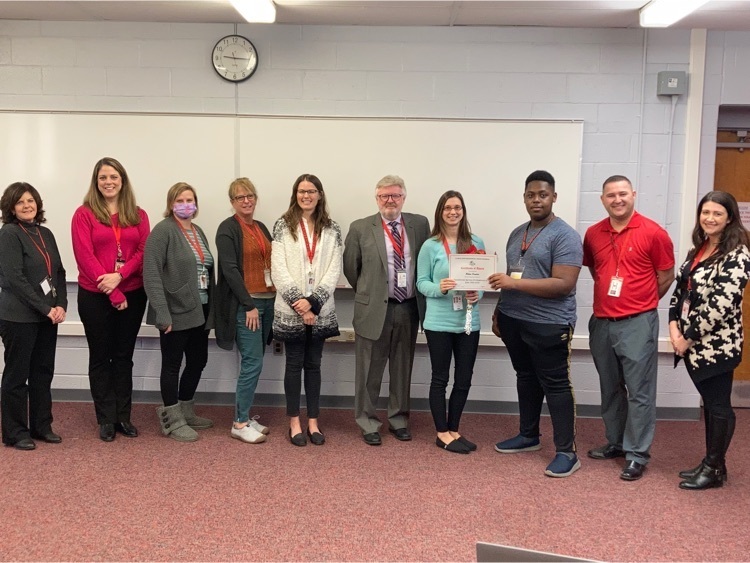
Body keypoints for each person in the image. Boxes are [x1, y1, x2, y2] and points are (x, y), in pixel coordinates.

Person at [488, 170, 583, 478]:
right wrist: (500, 310)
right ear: (524, 198)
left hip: (549, 324)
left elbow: (563, 284)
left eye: (543, 194)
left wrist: (513, 287)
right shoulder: (518, 233)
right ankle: (528, 435)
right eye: (531, 195)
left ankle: (567, 452)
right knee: (526, 377)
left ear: (554, 197)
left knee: (555, 385)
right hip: (515, 320)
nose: (536, 200)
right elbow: (512, 274)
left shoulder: (565, 235)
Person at [583, 174, 675, 481]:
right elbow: (597, 270)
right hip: (602, 323)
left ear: (633, 194)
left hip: (638, 323)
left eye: (623, 193)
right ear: (602, 199)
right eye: (611, 195)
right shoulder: (594, 233)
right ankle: (616, 442)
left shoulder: (654, 232)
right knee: (610, 388)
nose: (617, 199)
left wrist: (643, 302)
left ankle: (637, 454)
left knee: (639, 392)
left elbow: (666, 275)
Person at [669, 191, 750, 490]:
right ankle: (713, 463)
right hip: (691, 343)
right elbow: (681, 292)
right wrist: (674, 326)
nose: (710, 218)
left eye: (717, 213)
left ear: (729, 217)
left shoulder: (738, 254)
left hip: (717, 346)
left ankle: (714, 468)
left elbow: (720, 305)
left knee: (718, 407)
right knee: (712, 406)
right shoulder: (699, 249)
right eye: (705, 212)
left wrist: (687, 338)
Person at [344, 175, 430, 446]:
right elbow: (351, 269)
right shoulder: (360, 228)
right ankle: (367, 422)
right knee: (369, 370)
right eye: (384, 196)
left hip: (408, 308)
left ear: (404, 197)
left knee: (402, 367)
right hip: (373, 310)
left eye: (395, 195)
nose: (389, 201)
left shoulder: (419, 224)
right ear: (376, 198)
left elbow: (425, 261)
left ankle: (399, 419)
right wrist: (373, 293)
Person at [72, 157, 150, 442]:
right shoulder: (84, 214)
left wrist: (121, 276)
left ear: (122, 181)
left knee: (123, 357)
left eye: (113, 177)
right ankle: (105, 419)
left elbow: (143, 251)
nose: (108, 182)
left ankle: (123, 417)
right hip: (95, 296)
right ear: (96, 182)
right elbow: (84, 257)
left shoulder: (138, 215)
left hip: (132, 293)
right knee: (100, 357)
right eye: (103, 177)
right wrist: (113, 291)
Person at [271, 174, 342, 447]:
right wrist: (299, 303)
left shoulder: (332, 228)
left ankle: (313, 421)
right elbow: (278, 269)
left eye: (311, 191)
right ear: (295, 194)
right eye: (301, 191)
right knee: (293, 365)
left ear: (320, 194)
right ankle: (293, 421)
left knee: (314, 366)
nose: (306, 196)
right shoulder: (283, 225)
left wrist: (314, 302)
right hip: (291, 310)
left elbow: (334, 269)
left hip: (320, 310)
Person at [144, 182, 215, 442]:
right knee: (172, 365)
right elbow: (151, 273)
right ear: (171, 203)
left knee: (198, 361)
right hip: (174, 311)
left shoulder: (198, 231)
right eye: (180, 200)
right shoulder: (163, 231)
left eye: (190, 199)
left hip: (200, 309)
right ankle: (172, 422)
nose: (186, 204)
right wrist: (162, 313)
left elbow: (206, 269)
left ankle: (186, 410)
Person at [0, 182, 67, 450]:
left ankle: (41, 426)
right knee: (18, 374)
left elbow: (59, 272)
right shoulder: (8, 234)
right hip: (18, 317)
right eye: (20, 202)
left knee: (42, 372)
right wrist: (45, 308)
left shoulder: (45, 233)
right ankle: (15, 432)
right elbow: (15, 279)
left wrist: (60, 304)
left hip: (47, 316)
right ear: (11, 208)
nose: (27, 206)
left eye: (31, 200)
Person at [416, 190, 483, 454]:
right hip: (438, 322)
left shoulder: (476, 242)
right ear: (440, 212)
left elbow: (483, 281)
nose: (453, 212)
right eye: (447, 208)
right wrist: (439, 288)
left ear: (463, 211)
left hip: (468, 321)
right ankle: (442, 433)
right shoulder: (430, 245)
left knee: (464, 378)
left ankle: (454, 429)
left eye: (457, 207)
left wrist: (477, 293)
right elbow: (421, 282)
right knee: (440, 378)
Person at [215, 178, 274, 445]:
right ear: (232, 202)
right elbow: (230, 270)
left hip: (268, 301)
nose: (246, 200)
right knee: (252, 363)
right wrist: (248, 305)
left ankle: (247, 416)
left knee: (257, 360)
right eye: (240, 197)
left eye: (250, 195)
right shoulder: (227, 229)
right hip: (246, 306)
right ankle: (239, 423)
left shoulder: (260, 227)